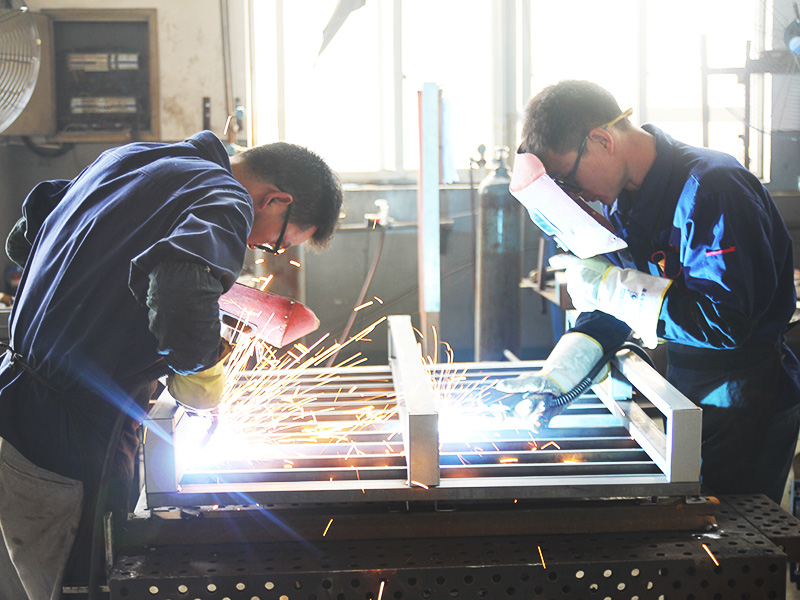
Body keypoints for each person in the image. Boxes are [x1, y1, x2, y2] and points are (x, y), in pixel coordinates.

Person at [0, 130, 343, 599]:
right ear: (275, 200)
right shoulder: (226, 198)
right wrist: (201, 383)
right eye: (274, 244)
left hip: (18, 402)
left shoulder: (133, 158)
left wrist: (112, 300)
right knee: (81, 589)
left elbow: (26, 238)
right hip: (63, 440)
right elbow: (179, 290)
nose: (260, 248)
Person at [498, 79, 800, 505]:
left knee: (729, 531)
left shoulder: (714, 188)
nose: (576, 195)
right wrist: (558, 377)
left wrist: (612, 288)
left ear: (602, 141)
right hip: (689, 391)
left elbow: (726, 321)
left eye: (569, 178)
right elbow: (618, 306)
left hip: (748, 400)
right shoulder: (624, 201)